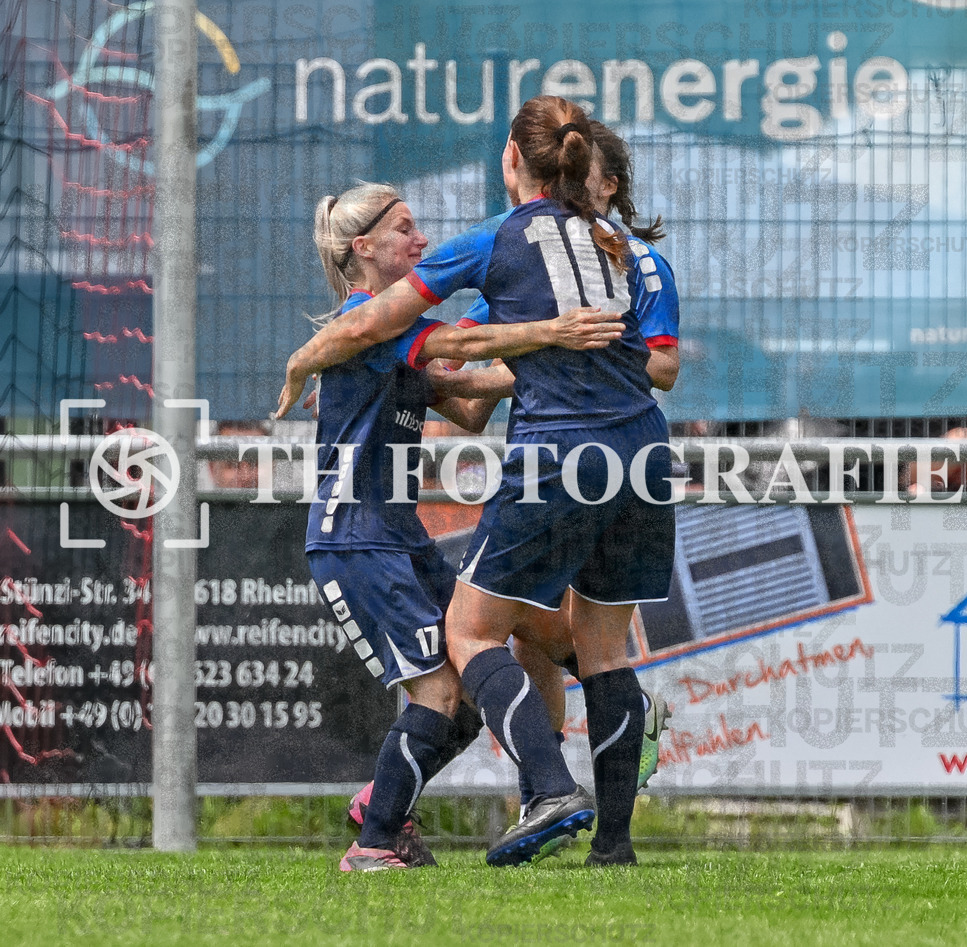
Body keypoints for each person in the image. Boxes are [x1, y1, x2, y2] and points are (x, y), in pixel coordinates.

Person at [278, 96, 677, 867]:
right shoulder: (613, 244)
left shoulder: (490, 246)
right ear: (363, 249)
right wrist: (542, 342)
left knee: (474, 643)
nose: (420, 237)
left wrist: (303, 360)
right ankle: (578, 834)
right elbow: (442, 361)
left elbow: (452, 385)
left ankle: (490, 799)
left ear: (511, 161)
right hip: (632, 455)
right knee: (564, 648)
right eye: (404, 229)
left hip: (548, 458)